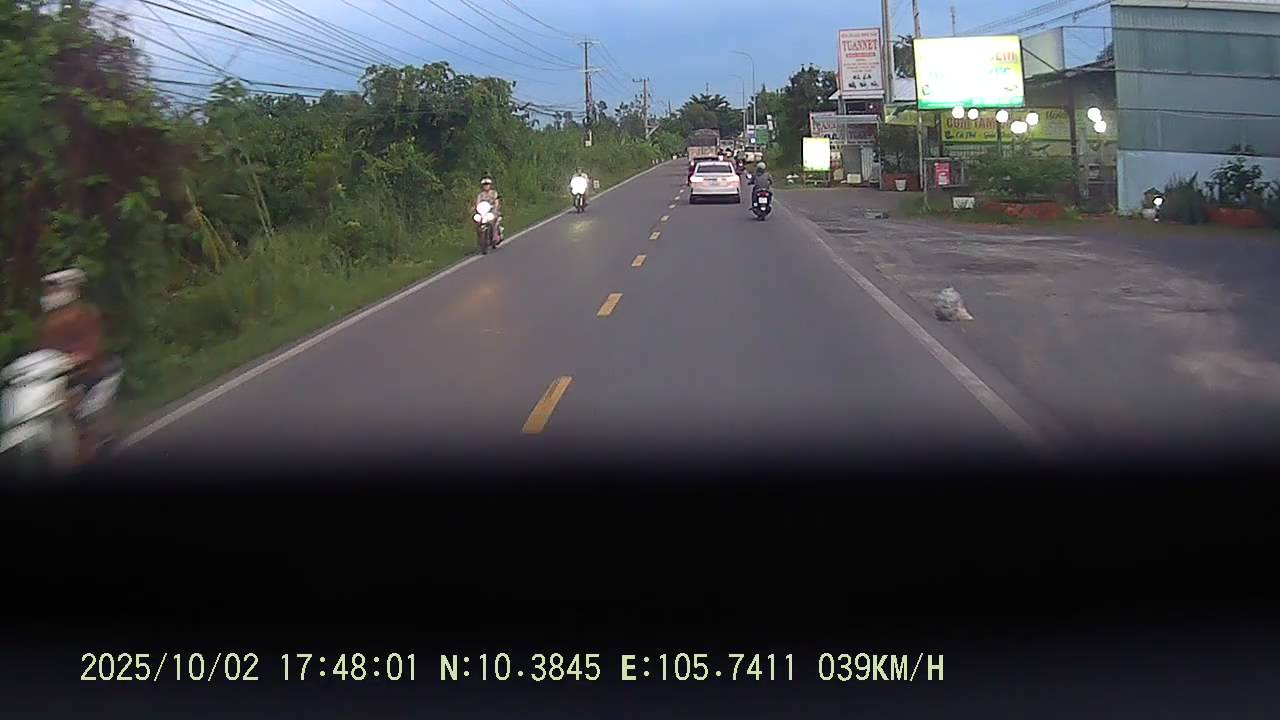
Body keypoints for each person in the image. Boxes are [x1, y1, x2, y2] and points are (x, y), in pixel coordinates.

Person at [36, 268, 108, 461]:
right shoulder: (49, 322)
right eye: (49, 290)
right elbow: (43, 351)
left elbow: (92, 346)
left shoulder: (85, 314)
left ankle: (86, 449)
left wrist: (79, 358)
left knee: (73, 405)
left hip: (84, 374)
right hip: (56, 377)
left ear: (69, 290)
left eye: (54, 289)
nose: (50, 294)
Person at [476, 177, 503, 243]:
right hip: (483, 212)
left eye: (487, 184)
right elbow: (478, 203)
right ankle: (480, 238)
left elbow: (496, 202)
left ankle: (495, 237)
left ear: (490, 185)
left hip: (492, 211)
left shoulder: (494, 193)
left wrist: (495, 208)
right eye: (484, 185)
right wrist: (477, 208)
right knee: (478, 222)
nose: (486, 186)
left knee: (493, 222)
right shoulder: (480, 195)